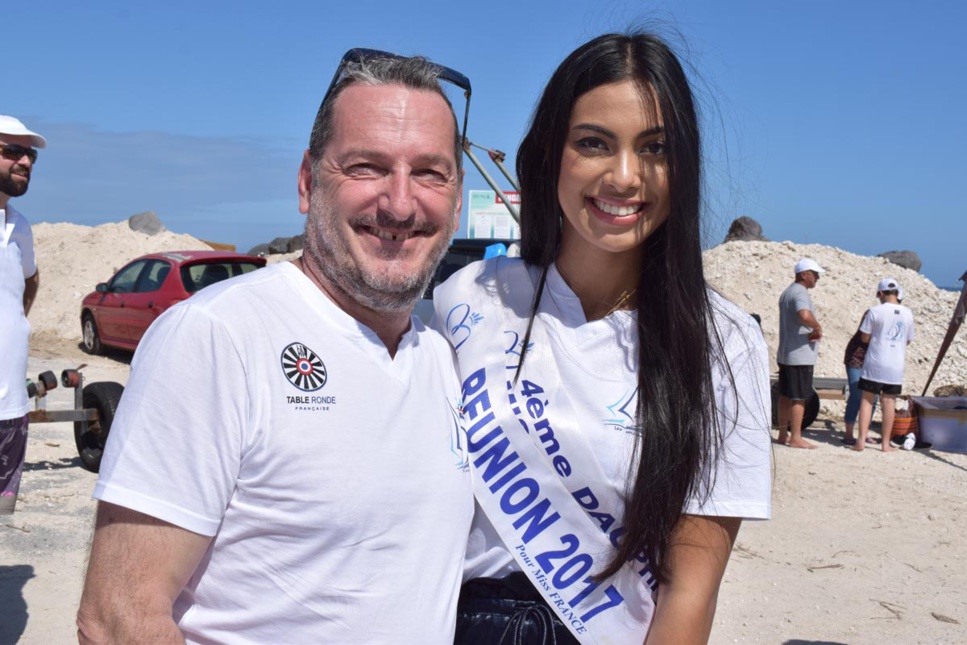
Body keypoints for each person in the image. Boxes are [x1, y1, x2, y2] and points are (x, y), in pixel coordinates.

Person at [77, 51, 474, 643]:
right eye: (366, 166)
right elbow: (117, 619)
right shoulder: (219, 336)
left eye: (429, 173)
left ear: (458, 199)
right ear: (308, 183)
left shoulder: (442, 355)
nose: (399, 202)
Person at [432, 32, 771, 644]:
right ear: (548, 155)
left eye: (655, 149)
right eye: (593, 143)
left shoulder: (723, 343)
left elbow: (689, 591)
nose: (625, 177)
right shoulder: (470, 296)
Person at [0, 115, 45, 516]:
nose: (25, 161)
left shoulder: (20, 227)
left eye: (28, 154)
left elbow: (29, 279)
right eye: (11, 151)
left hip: (10, 409)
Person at [853, 278, 915, 453]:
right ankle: (885, 444)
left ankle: (861, 442)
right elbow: (908, 339)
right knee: (889, 403)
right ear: (897, 292)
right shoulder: (908, 313)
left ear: (881, 293)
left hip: (875, 362)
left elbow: (864, 337)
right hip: (895, 365)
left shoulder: (875, 311)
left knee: (867, 400)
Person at [776, 258, 825, 449]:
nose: (818, 277)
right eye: (815, 273)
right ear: (804, 274)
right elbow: (803, 315)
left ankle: (782, 434)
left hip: (787, 353)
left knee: (785, 395)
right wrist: (817, 327)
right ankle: (795, 437)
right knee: (799, 396)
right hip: (800, 354)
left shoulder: (787, 292)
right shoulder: (800, 293)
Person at [842, 313, 877, 446]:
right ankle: (849, 432)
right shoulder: (872, 314)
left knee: (873, 397)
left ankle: (864, 432)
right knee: (856, 394)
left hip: (874, 361)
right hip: (856, 358)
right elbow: (865, 337)